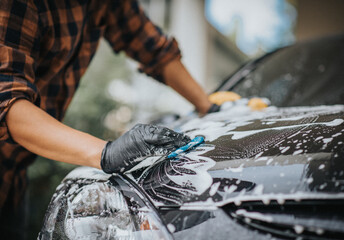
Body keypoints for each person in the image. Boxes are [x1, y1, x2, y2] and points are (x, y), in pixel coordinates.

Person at [0, 0, 216, 238]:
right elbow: (7, 102)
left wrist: (208, 106)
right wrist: (106, 153)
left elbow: (154, 48)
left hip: (14, 177)